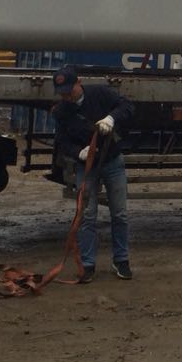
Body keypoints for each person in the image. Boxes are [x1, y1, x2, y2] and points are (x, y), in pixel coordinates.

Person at [51, 64, 135, 283]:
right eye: (62, 93)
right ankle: (87, 264)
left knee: (119, 213)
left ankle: (121, 260)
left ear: (79, 83)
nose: (67, 96)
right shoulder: (61, 112)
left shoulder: (100, 93)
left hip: (112, 161)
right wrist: (78, 152)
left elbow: (127, 106)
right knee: (87, 216)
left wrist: (111, 118)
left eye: (69, 91)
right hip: (86, 167)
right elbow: (62, 141)